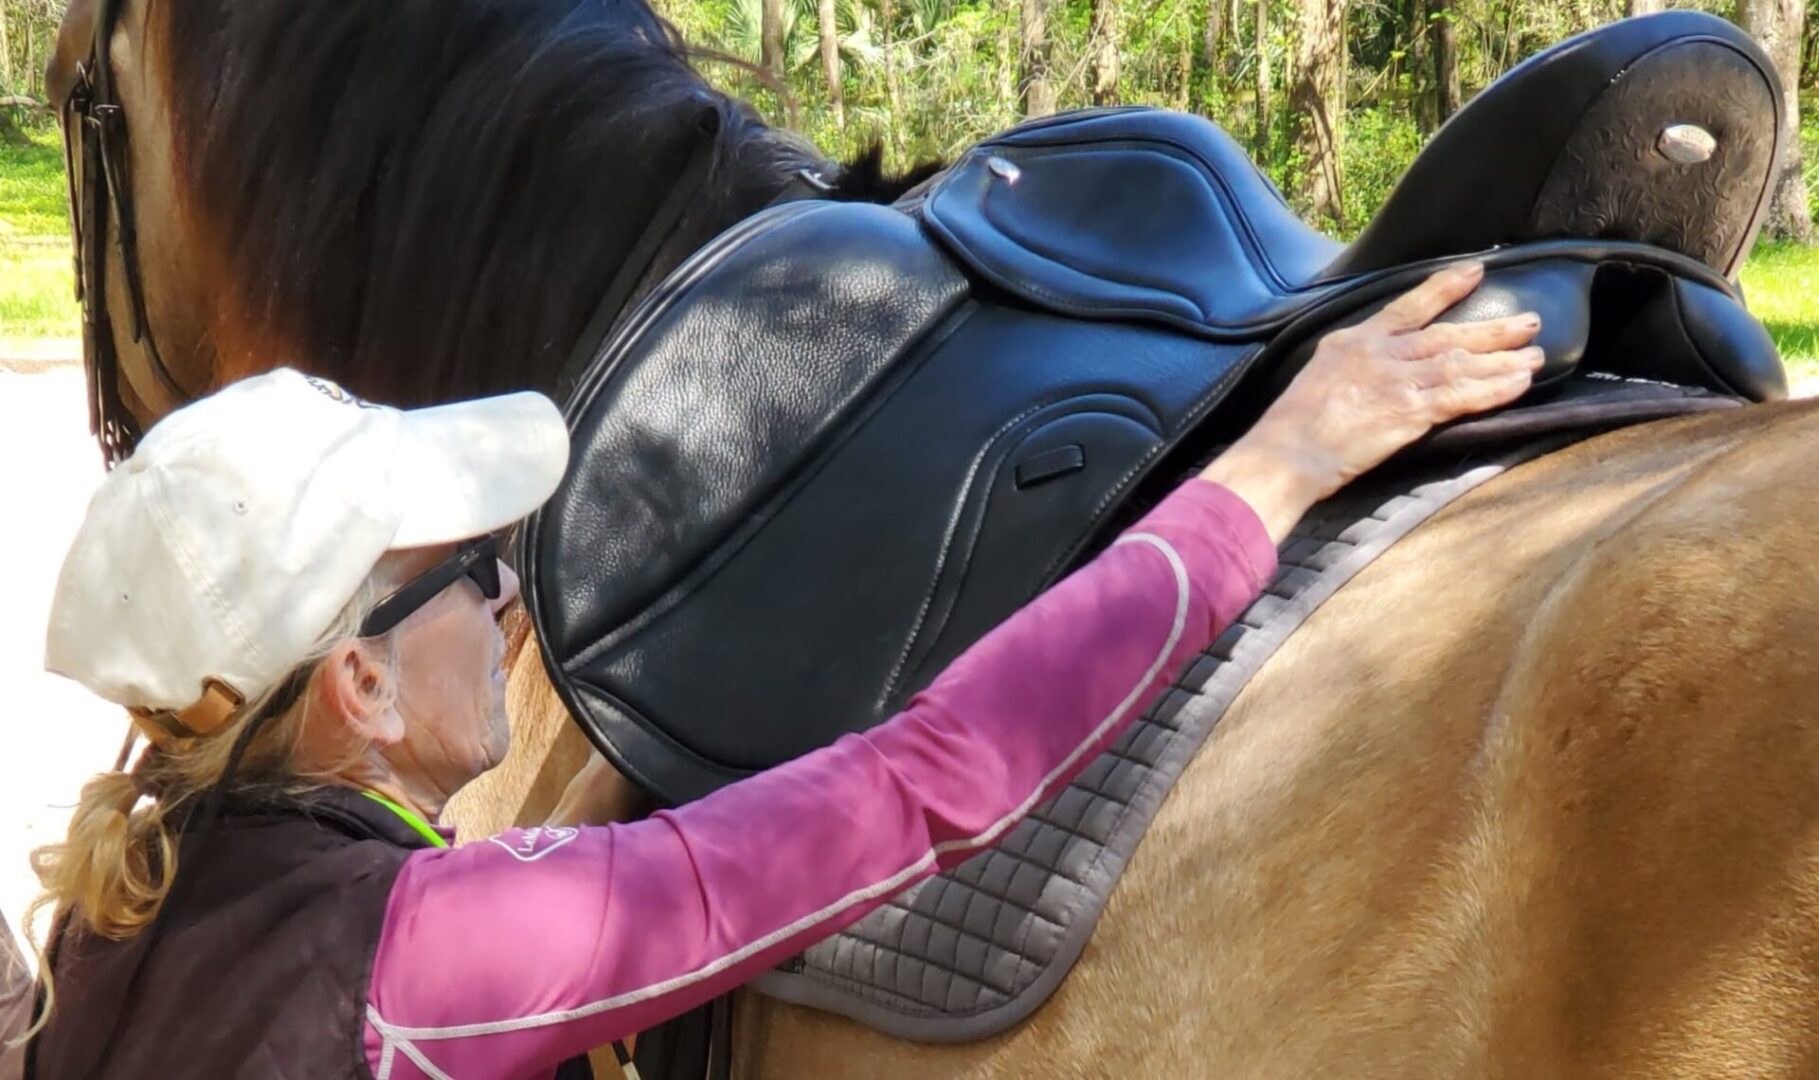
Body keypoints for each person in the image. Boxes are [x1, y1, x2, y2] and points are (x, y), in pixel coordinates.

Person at [19, 263, 1540, 1078]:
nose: (507, 610)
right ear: (354, 682)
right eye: (473, 574)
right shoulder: (427, 958)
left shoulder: (121, 919)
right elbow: (922, 784)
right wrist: (1270, 474)